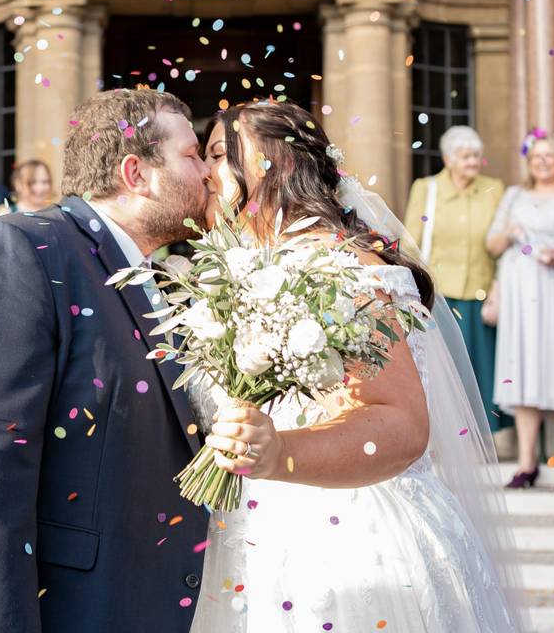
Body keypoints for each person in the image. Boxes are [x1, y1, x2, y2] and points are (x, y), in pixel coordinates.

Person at [0, 89, 214, 631]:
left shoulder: (158, 279)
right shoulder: (19, 252)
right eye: (193, 155)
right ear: (137, 173)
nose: (209, 174)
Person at [187, 100, 524, 632]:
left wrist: (279, 453)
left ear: (283, 163)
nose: (205, 171)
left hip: (351, 533)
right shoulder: (240, 265)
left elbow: (401, 423)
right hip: (256, 527)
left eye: (219, 154)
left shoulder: (344, 267)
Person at [486, 132, 554, 490]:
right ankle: (527, 462)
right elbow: (493, 243)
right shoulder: (514, 194)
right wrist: (510, 231)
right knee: (523, 367)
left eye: (549, 155)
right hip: (520, 288)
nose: (542, 161)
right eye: (536, 155)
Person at [403, 126, 507, 430]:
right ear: (448, 159)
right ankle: (445, 435)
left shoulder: (494, 188)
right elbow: (410, 240)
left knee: (480, 371)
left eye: (476, 156)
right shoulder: (427, 188)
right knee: (442, 372)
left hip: (481, 291)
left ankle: (481, 437)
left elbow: (501, 242)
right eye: (465, 156)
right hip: (441, 295)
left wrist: (498, 287)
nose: (473, 162)